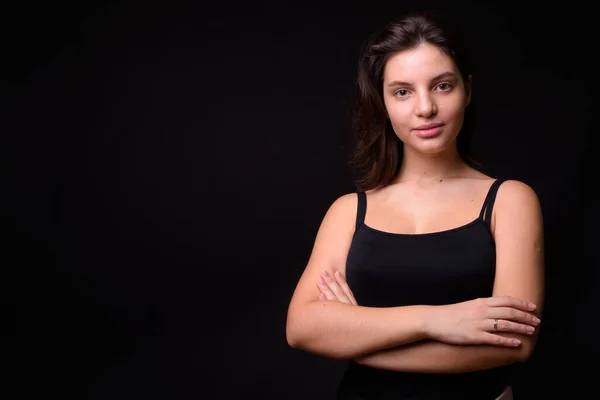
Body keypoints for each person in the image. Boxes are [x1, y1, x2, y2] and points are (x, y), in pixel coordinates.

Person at [285, 10, 545, 400]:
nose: (425, 108)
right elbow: (302, 328)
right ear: (384, 103)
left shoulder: (510, 200)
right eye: (402, 91)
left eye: (442, 86)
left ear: (467, 91)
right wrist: (437, 320)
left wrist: (358, 338)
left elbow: (513, 343)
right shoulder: (348, 212)